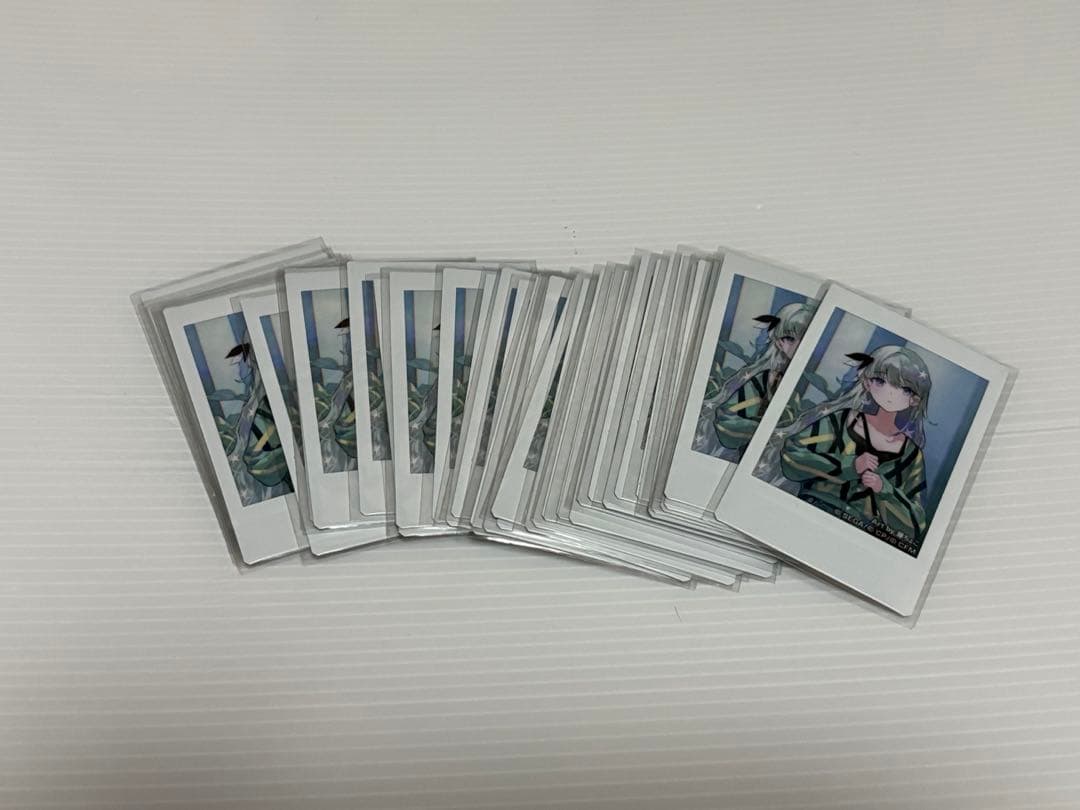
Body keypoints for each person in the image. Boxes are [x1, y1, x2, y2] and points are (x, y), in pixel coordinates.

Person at [764, 345, 932, 550]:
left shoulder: (911, 455)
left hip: (858, 540)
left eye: (903, 388)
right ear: (867, 383)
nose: (890, 392)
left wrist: (883, 488)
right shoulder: (843, 421)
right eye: (880, 381)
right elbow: (791, 457)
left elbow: (916, 524)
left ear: (914, 399)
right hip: (807, 513)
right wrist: (849, 466)